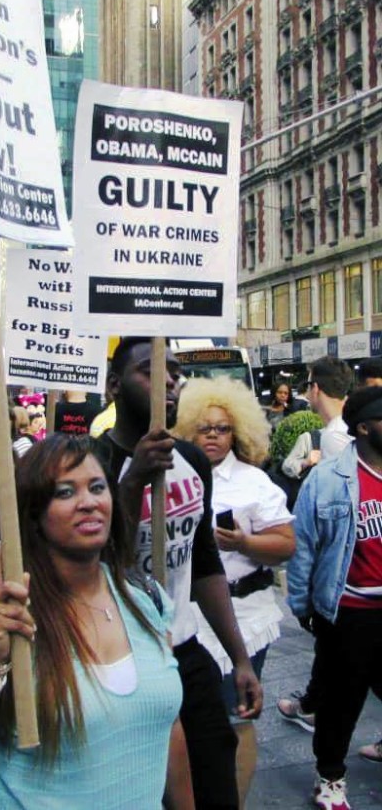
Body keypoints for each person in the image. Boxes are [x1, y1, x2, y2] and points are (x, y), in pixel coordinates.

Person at [0, 435, 190, 809]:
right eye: (65, 493)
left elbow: (167, 727)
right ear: (34, 513)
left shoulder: (146, 598)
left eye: (98, 487)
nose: (88, 503)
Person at [97, 337, 263, 810]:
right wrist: (131, 483)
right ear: (114, 386)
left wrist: (240, 656)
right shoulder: (91, 465)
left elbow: (203, 558)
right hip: (118, 658)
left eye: (173, 372)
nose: (168, 381)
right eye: (150, 372)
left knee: (214, 778)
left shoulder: (190, 460)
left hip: (184, 651)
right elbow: (95, 560)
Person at [173, 377, 295, 808]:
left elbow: (286, 544)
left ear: (237, 432)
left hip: (246, 614)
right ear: (187, 427)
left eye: (222, 428)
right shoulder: (170, 475)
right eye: (204, 427)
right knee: (185, 723)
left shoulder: (254, 482)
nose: (211, 435)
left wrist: (245, 543)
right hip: (184, 617)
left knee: (238, 719)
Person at [286, 385, 382, 810]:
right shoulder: (327, 478)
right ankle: (330, 777)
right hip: (349, 611)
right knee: (341, 702)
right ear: (363, 427)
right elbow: (303, 545)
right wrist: (303, 606)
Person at [277, 356, 354, 731]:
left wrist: (302, 592)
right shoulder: (346, 433)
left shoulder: (336, 439)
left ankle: (314, 708)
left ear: (315, 389)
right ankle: (311, 703)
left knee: (339, 649)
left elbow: (328, 519)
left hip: (342, 571)